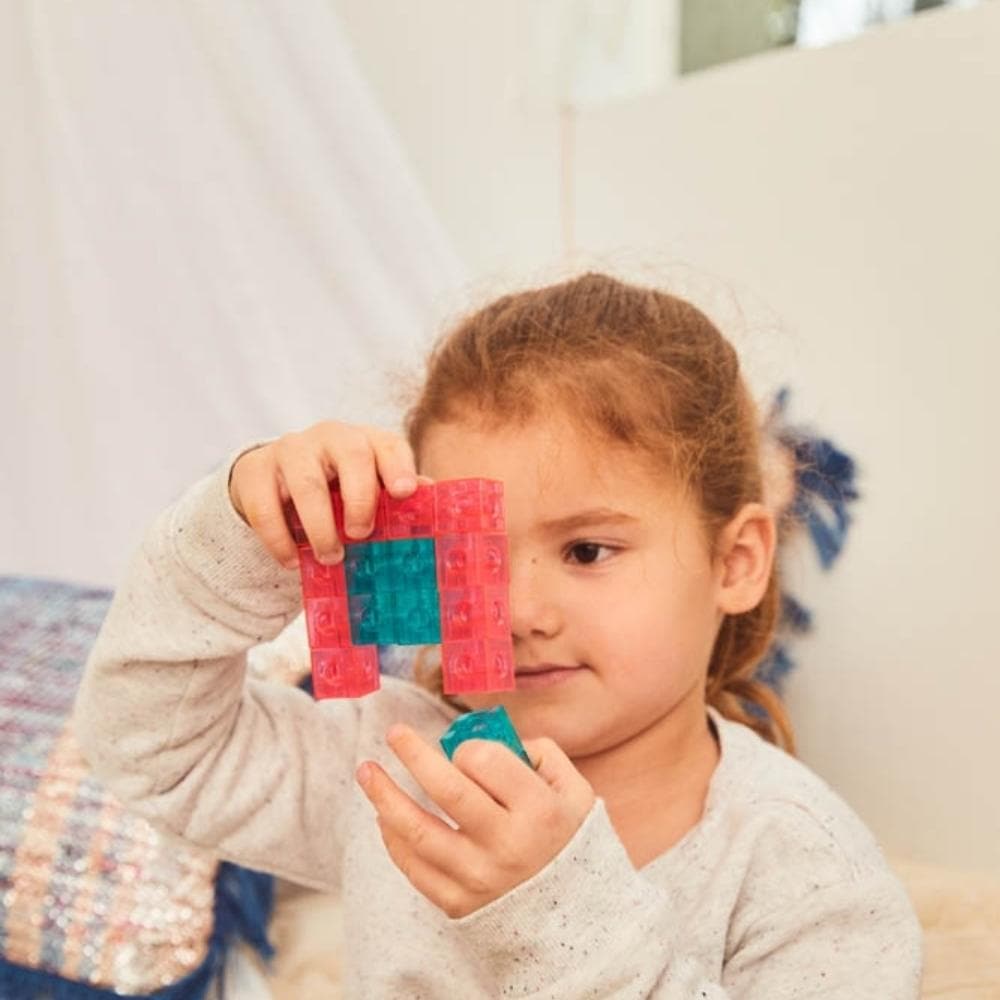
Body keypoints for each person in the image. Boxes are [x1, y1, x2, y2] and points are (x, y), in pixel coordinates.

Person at [74, 272, 922, 997]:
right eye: (463, 556)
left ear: (735, 561)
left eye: (588, 550)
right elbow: (156, 748)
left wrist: (555, 910)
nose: (518, 612)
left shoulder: (805, 869)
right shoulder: (397, 769)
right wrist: (238, 532)